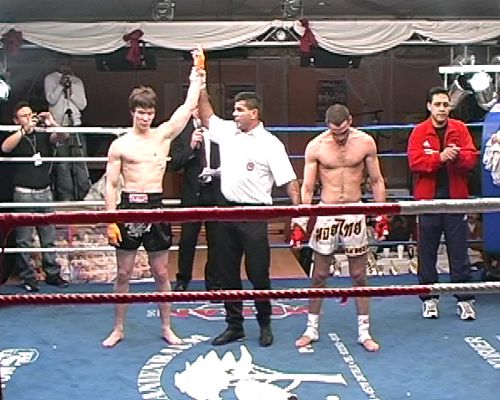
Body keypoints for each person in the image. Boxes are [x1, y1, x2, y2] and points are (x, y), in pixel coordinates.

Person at [101, 64, 205, 348]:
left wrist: (197, 75)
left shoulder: (163, 136)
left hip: (155, 206)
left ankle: (167, 327)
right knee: (124, 273)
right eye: (140, 112)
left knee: (160, 272)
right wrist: (111, 220)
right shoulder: (120, 145)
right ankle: (118, 328)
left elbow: (187, 108)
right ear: (132, 113)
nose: (145, 117)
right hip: (129, 207)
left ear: (153, 113)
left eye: (149, 113)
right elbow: (111, 185)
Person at [197, 86, 301, 347]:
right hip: (226, 211)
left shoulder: (270, 143)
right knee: (227, 272)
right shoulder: (228, 132)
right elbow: (207, 116)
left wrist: (299, 215)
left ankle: (265, 324)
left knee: (258, 273)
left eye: (239, 110)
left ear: (254, 113)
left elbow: (289, 181)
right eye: (234, 109)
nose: (234, 114)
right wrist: (200, 83)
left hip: (255, 214)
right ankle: (234, 326)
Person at [293, 103, 386, 352]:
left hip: (354, 211)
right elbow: (308, 188)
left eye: (343, 132)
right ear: (327, 127)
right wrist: (301, 221)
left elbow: (376, 180)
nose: (340, 137)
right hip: (327, 212)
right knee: (319, 274)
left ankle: (364, 332)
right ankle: (311, 329)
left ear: (350, 121)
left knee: (359, 275)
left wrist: (381, 214)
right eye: (335, 133)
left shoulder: (365, 142)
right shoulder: (316, 146)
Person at [407, 86, 478, 320]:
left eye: (445, 105)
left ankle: (465, 300)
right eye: (437, 104)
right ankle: (429, 299)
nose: (442, 109)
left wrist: (456, 157)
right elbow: (415, 162)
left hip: (455, 200)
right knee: (427, 251)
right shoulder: (419, 132)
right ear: (429, 106)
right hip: (428, 202)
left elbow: (471, 160)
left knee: (459, 251)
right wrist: (439, 158)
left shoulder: (460, 129)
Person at [0, 102, 70, 292]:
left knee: (49, 237)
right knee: (24, 239)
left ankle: (52, 274)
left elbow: (64, 136)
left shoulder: (42, 134)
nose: (29, 118)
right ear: (16, 120)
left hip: (45, 192)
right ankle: (28, 278)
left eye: (30, 114)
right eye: (24, 116)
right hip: (24, 193)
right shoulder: (14, 135)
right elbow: (5, 148)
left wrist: (51, 122)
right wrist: (24, 130)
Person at [169, 111, 224, 292]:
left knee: (216, 240)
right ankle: (183, 280)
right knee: (187, 239)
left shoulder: (220, 129)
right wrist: (191, 146)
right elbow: (174, 163)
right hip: (192, 193)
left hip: (215, 191)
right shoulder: (182, 131)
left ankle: (214, 283)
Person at [44, 54, 90, 201]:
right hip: (59, 126)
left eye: (67, 64)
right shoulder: (50, 78)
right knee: (63, 164)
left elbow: (82, 105)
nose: (65, 67)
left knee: (80, 162)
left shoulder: (77, 81)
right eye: (62, 64)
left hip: (75, 125)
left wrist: (70, 93)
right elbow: (51, 99)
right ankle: (66, 197)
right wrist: (60, 86)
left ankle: (84, 196)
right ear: (57, 63)